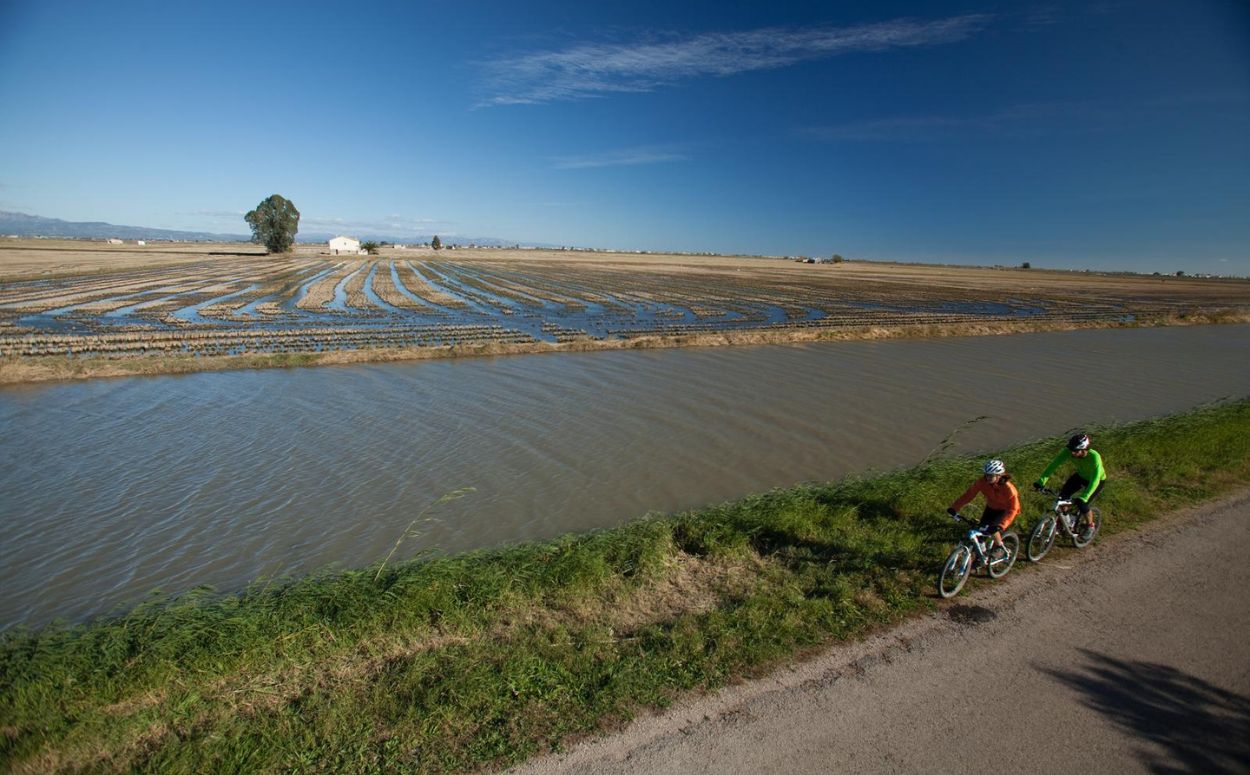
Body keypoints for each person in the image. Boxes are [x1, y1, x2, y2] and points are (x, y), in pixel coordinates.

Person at [1033, 432, 1106, 537]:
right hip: (1080, 476)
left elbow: (1095, 479)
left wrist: (1084, 497)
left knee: (1082, 504)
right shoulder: (1068, 451)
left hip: (1096, 481)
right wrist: (1041, 481)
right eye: (1071, 450)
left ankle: (1090, 526)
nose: (1072, 453)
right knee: (1062, 498)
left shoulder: (1094, 457)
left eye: (1075, 451)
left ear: (1084, 449)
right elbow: (1053, 465)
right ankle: (1066, 522)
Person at [947, 459, 1020, 557]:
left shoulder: (1009, 489)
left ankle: (1000, 547)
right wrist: (954, 508)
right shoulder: (982, 482)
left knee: (993, 528)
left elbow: (1013, 509)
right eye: (986, 474)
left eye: (991, 475)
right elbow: (969, 495)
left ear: (999, 476)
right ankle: (982, 556)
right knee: (981, 532)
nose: (988, 477)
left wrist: (1002, 525)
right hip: (991, 507)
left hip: (1004, 510)